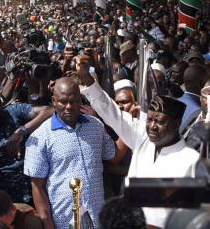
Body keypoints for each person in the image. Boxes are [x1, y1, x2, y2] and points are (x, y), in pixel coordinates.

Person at [79, 73, 199, 229]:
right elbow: (111, 111)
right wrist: (89, 80)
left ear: (176, 124)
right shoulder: (142, 137)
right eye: (149, 119)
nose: (152, 126)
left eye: (160, 121)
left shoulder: (190, 161)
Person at [24, 77, 115, 228]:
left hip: (98, 216)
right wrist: (47, 223)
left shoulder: (96, 126)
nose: (69, 107)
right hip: (64, 220)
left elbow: (111, 155)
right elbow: (37, 187)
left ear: (80, 100)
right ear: (54, 101)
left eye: (73, 101)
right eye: (63, 101)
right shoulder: (40, 137)